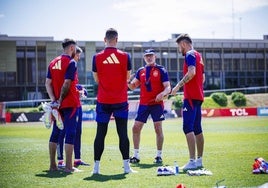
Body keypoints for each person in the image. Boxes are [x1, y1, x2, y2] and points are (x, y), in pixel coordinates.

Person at [91, 28, 135, 174]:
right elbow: (128, 78)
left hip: (103, 100)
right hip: (120, 101)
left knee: (100, 134)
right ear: (116, 39)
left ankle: (96, 169)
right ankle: (127, 168)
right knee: (123, 134)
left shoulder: (96, 57)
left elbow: (96, 79)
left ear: (105, 39)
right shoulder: (125, 56)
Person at [128, 49, 171, 164]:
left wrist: (162, 94)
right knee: (135, 128)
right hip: (144, 104)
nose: (149, 58)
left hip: (157, 104)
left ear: (155, 56)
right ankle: (136, 156)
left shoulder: (161, 70)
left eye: (151, 55)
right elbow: (133, 86)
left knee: (158, 129)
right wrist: (127, 80)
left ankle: (158, 156)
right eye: (147, 56)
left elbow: (168, 87)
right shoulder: (141, 71)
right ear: (144, 58)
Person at [170, 33, 205, 172]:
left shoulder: (189, 54)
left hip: (190, 98)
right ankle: (199, 161)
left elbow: (192, 73)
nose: (180, 50)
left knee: (187, 128)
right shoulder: (199, 56)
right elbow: (202, 79)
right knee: (197, 129)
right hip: (198, 97)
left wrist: (178, 86)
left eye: (179, 47)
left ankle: (191, 161)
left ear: (183, 44)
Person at [45, 38, 80, 173]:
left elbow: (47, 83)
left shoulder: (53, 62)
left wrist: (54, 100)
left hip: (57, 105)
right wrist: (60, 99)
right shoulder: (71, 62)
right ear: (71, 48)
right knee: (70, 133)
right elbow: (67, 83)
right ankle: (68, 167)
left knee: (55, 133)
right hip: (69, 103)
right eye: (75, 49)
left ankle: (53, 166)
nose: (76, 51)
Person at [57, 46, 90, 169]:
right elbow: (64, 84)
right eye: (78, 55)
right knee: (63, 132)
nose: (79, 57)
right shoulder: (67, 64)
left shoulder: (73, 66)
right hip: (67, 104)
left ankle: (77, 159)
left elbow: (73, 84)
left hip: (76, 103)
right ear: (73, 52)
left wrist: (81, 89)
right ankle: (60, 160)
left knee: (77, 132)